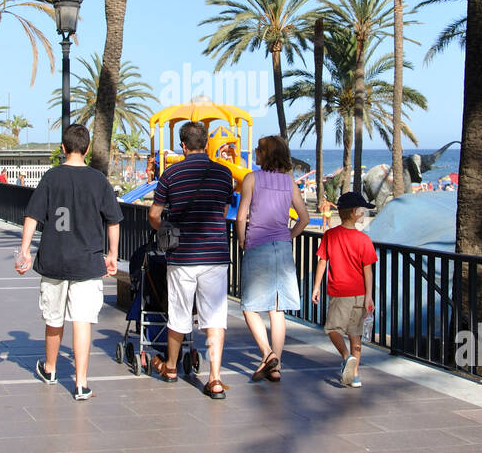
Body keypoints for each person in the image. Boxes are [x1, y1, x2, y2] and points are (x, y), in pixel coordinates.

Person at [16, 124, 122, 401]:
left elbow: (32, 216)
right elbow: (113, 220)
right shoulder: (99, 181)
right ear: (87, 149)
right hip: (87, 262)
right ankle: (81, 383)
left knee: (54, 318)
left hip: (53, 259)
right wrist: (112, 254)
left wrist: (25, 250)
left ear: (63, 148)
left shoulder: (51, 178)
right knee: (83, 321)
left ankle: (50, 369)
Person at [148, 120, 236, 399]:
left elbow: (154, 214)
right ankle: (215, 378)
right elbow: (222, 211)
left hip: (182, 255)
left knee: (179, 312)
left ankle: (171, 367)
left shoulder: (171, 175)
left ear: (183, 146)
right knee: (214, 317)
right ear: (207, 143)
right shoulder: (224, 174)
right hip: (215, 255)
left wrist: (164, 228)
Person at [236, 135, 310, 383]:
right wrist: (289, 235)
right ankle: (276, 366)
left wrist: (242, 240)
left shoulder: (252, 179)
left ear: (265, 154)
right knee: (277, 310)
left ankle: (268, 354)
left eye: (258, 150)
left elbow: (241, 216)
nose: (255, 152)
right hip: (283, 248)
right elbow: (304, 218)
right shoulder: (289, 181)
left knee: (248, 306)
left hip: (258, 245)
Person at [311, 191, 378, 387]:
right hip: (358, 293)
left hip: (339, 293)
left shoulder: (330, 235)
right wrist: (369, 296)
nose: (364, 213)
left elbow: (322, 262)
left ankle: (347, 357)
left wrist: (316, 287)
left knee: (332, 329)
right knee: (355, 334)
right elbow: (368, 271)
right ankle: (354, 374)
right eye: (363, 210)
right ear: (356, 212)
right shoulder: (364, 240)